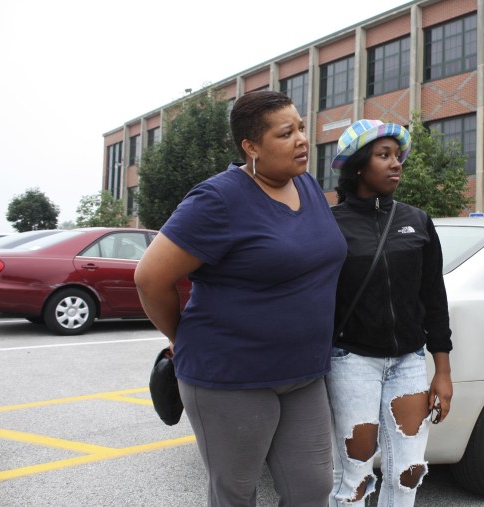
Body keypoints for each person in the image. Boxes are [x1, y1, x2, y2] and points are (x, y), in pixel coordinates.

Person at [134, 90, 347, 507]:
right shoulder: (217, 200)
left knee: (312, 490)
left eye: (301, 128)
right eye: (286, 133)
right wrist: (180, 335)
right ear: (251, 146)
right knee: (235, 494)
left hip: (304, 373)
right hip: (231, 376)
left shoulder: (306, 185)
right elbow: (149, 278)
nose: (302, 139)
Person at [327, 119, 453, 506]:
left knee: (408, 471)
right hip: (351, 362)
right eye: (384, 155)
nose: (396, 163)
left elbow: (434, 297)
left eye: (398, 156)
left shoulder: (417, 221)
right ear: (359, 166)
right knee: (355, 476)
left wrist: (443, 373)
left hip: (409, 363)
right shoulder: (331, 225)